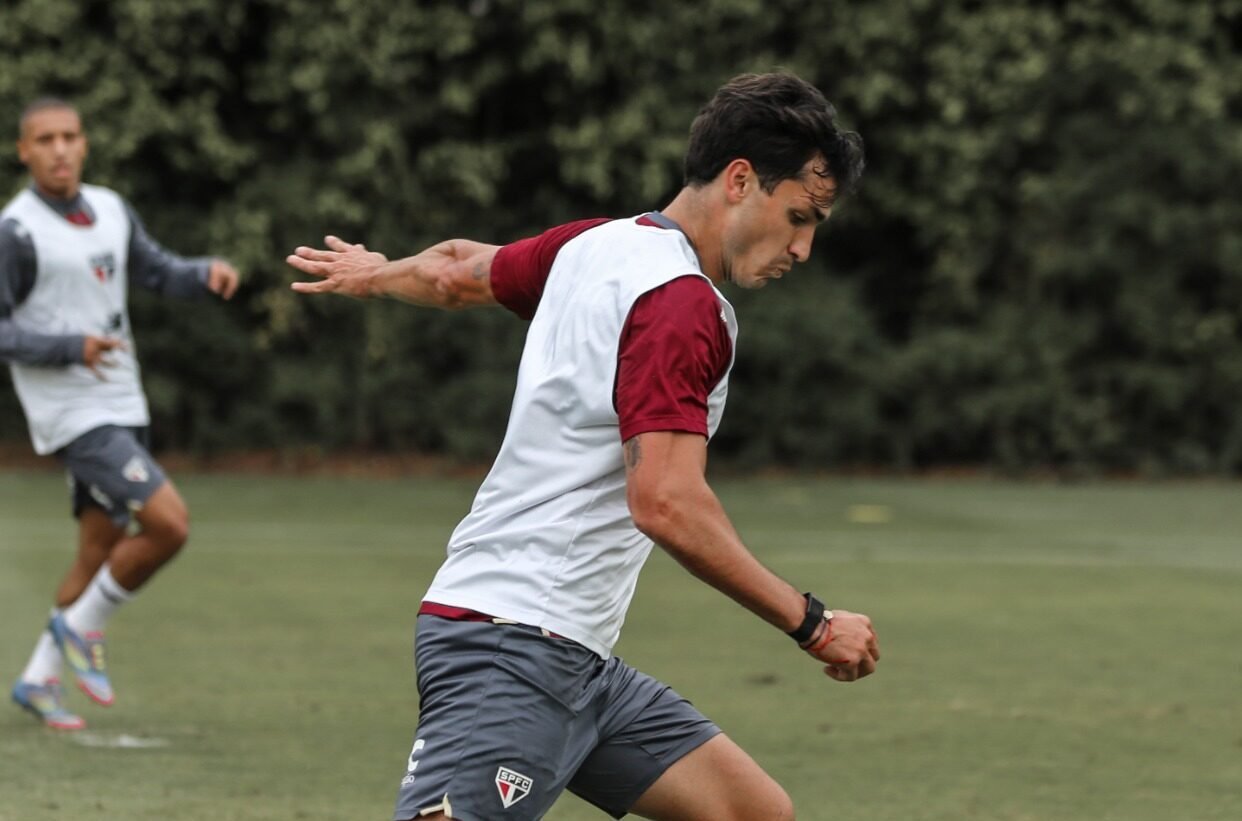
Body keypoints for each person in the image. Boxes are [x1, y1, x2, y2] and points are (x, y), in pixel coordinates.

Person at [287, 72, 879, 820]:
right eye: (799, 215)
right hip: (512, 647)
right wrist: (812, 622)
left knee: (751, 811)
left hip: (572, 657)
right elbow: (665, 501)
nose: (804, 245)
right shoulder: (680, 306)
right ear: (739, 180)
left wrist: (377, 273)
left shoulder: (594, 247)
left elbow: (453, 273)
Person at [2, 98, 239, 730]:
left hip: (121, 398)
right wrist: (69, 347)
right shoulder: (16, 231)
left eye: (70, 136)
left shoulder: (109, 207)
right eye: (44, 139)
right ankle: (81, 632)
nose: (59, 148)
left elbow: (155, 269)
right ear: (23, 151)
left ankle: (36, 680)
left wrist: (203, 274)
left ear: (84, 143)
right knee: (169, 524)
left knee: (95, 552)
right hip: (72, 413)